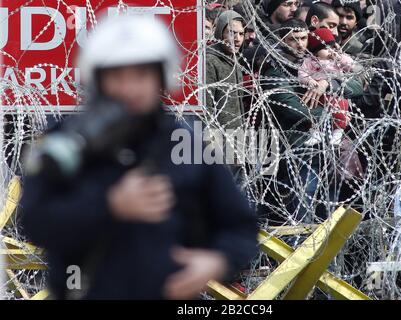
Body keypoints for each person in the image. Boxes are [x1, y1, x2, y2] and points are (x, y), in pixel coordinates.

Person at [20, 15, 258, 300]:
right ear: (98, 79)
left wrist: (216, 260)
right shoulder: (66, 141)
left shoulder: (182, 143)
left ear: (160, 76)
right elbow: (35, 221)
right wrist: (109, 205)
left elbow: (240, 226)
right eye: (117, 76)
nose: (129, 88)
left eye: (141, 75)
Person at [298, 27, 357, 146]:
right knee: (315, 112)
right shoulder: (309, 61)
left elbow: (351, 66)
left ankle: (337, 134)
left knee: (340, 112)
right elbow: (302, 74)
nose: (330, 51)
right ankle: (316, 133)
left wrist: (339, 56)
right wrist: (309, 81)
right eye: (325, 48)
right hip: (318, 95)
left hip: (336, 94)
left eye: (331, 47)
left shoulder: (336, 60)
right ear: (315, 51)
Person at [205, 10, 246, 130]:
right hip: (219, 137)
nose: (237, 39)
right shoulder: (211, 61)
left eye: (241, 34)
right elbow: (207, 106)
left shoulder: (234, 60)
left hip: (236, 134)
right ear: (220, 33)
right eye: (232, 33)